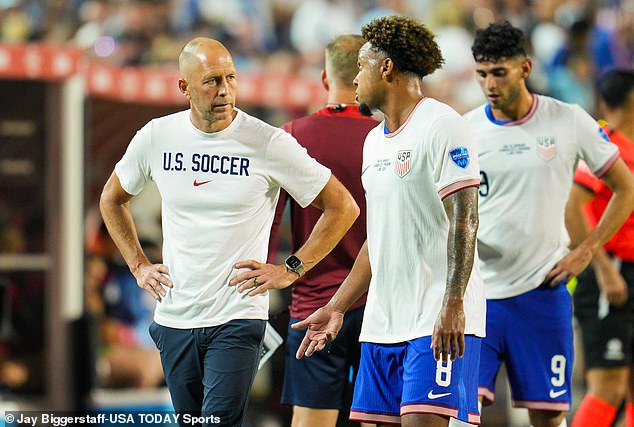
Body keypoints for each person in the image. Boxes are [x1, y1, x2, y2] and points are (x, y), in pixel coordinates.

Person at [99, 37, 360, 427]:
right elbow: (111, 199)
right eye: (211, 81)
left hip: (238, 316)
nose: (224, 90)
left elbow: (344, 207)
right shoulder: (157, 135)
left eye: (231, 78)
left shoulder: (269, 142)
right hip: (175, 318)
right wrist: (139, 266)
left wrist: (291, 268)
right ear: (184, 87)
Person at [292, 16, 486, 427]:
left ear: (386, 68)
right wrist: (337, 307)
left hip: (436, 318)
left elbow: (465, 221)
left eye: (361, 67)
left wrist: (452, 304)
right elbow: (375, 240)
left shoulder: (443, 124)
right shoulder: (373, 140)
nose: (355, 79)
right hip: (382, 324)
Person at [465, 22, 634, 427]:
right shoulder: (465, 130)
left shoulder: (568, 120)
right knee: (460, 412)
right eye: (482, 74)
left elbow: (625, 188)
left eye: (499, 72)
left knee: (547, 417)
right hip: (478, 295)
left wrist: (587, 250)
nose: (489, 84)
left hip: (543, 294)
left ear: (525, 68)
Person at [267, 34, 377, 427]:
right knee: (377, 418)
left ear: (325, 78)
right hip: (378, 308)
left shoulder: (293, 135)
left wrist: (278, 271)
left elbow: (269, 220)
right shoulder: (388, 138)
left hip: (314, 303)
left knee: (312, 422)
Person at [569, 70, 634, 427]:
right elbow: (574, 206)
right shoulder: (604, 144)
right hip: (611, 275)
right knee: (608, 385)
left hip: (629, 273)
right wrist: (604, 268)